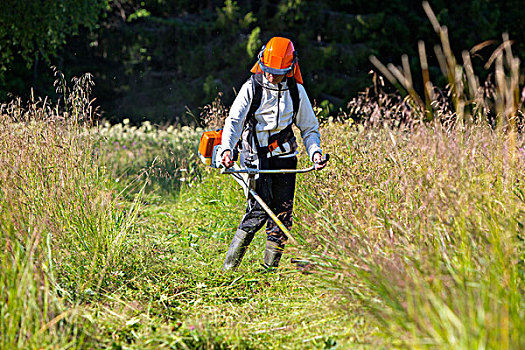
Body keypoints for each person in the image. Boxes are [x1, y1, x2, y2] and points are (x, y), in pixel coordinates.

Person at [220, 36, 326, 271]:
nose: (271, 76)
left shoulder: (296, 92)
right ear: (262, 63)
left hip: (286, 156)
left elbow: (309, 128)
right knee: (259, 209)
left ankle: (270, 271)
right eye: (268, 70)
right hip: (255, 157)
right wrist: (227, 149)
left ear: (290, 68)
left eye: (277, 72)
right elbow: (234, 122)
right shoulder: (252, 88)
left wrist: (315, 153)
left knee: (283, 212)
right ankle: (229, 268)